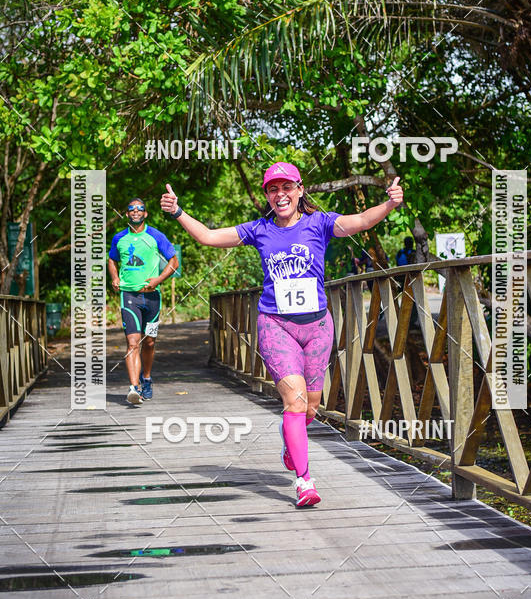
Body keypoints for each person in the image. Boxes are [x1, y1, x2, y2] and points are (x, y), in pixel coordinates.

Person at [160, 163, 404, 507]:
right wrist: (179, 213)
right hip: (276, 326)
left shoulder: (319, 223)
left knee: (311, 408)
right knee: (295, 401)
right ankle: (304, 481)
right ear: (267, 196)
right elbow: (209, 237)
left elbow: (362, 220)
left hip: (318, 326)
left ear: (300, 190)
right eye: (273, 189)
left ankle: (290, 438)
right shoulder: (259, 229)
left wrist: (390, 204)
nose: (281, 194)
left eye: (287, 187)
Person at [108, 197, 179, 405]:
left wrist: (158, 279)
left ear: (145, 213)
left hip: (152, 297)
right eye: (132, 209)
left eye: (140, 209)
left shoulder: (156, 235)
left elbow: (173, 261)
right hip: (129, 295)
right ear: (127, 213)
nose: (136, 211)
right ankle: (134, 387)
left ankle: (146, 378)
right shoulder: (119, 238)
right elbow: (112, 259)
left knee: (149, 342)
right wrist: (114, 277)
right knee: (132, 343)